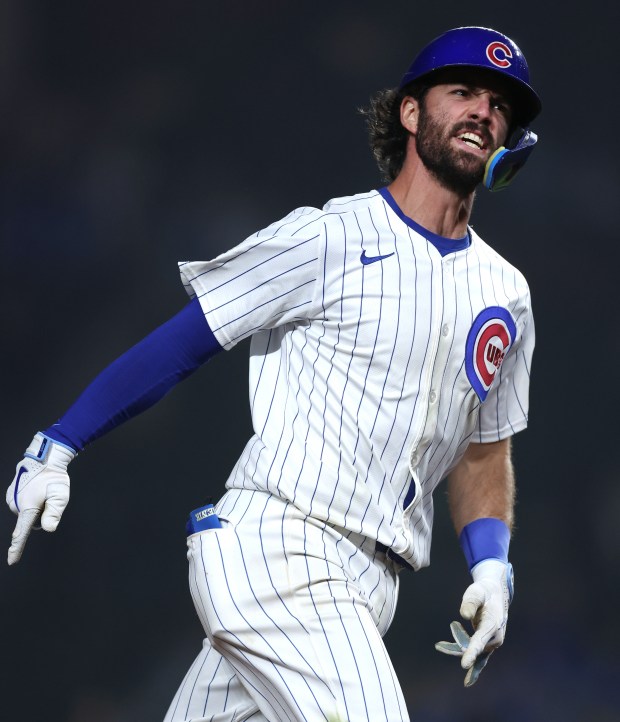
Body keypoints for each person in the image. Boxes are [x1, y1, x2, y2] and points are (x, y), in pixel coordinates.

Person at [7, 25, 541, 722]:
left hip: (367, 587)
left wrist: (492, 566)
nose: (483, 110)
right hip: (282, 550)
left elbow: (483, 449)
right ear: (411, 113)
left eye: (500, 104)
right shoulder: (327, 236)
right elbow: (186, 342)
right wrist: (59, 442)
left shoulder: (506, 292)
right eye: (463, 91)